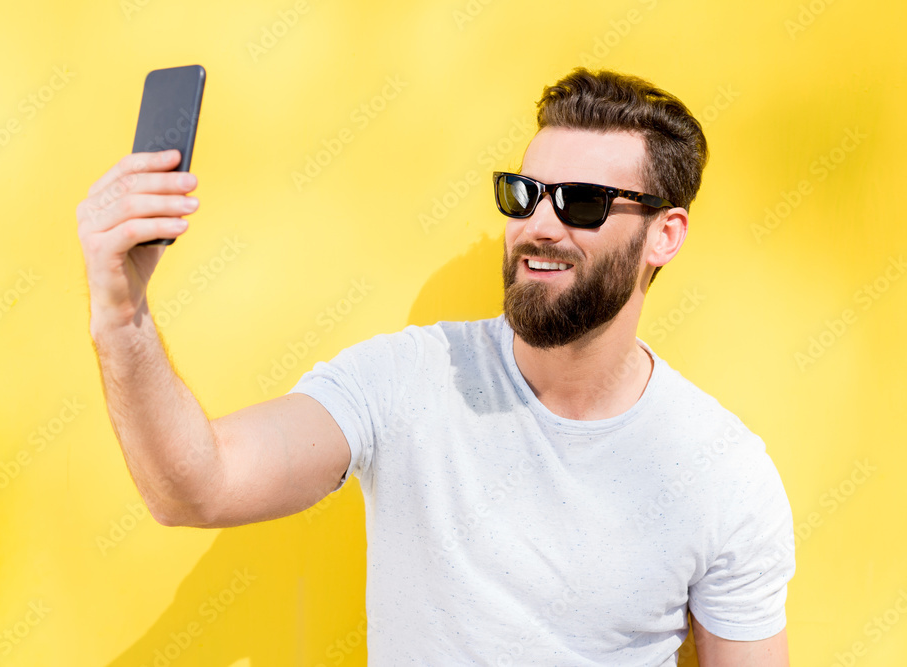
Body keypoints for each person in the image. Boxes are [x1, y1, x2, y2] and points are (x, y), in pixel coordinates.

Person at [77, 67, 795, 665]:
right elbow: (197, 487)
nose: (539, 225)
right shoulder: (406, 380)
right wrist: (121, 309)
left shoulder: (722, 472)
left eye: (581, 203)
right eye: (524, 193)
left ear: (664, 234)